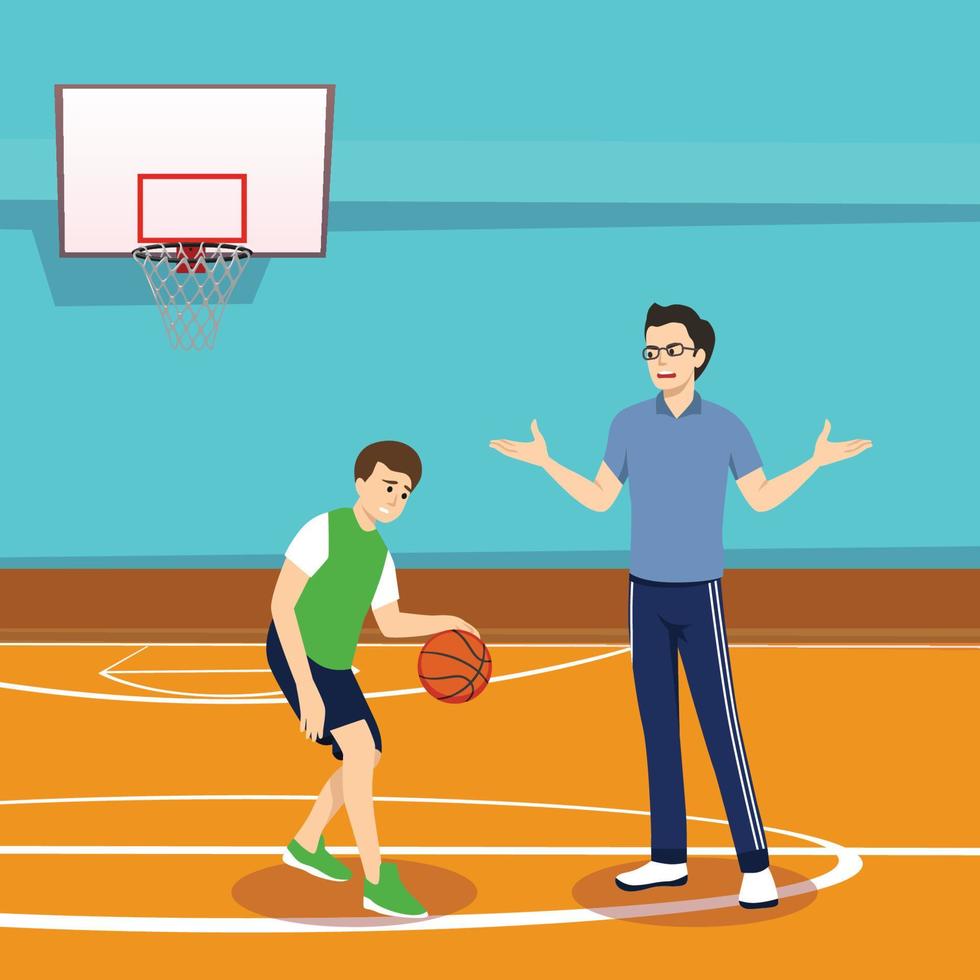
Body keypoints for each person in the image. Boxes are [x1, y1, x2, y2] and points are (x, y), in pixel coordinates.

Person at [490, 302, 871, 909]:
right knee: (658, 731)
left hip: (700, 596)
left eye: (671, 350)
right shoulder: (625, 424)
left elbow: (763, 498)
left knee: (720, 728)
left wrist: (815, 463)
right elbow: (597, 499)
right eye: (650, 352)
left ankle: (755, 866)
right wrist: (545, 462)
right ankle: (667, 857)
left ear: (698, 356)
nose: (660, 362)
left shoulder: (726, 425)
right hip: (644, 594)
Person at [267, 440, 479, 919]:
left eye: (405, 493)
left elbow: (391, 622)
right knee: (361, 751)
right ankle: (378, 881)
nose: (395, 498)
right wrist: (305, 689)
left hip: (334, 664)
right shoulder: (322, 529)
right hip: (294, 648)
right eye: (388, 485)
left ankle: (304, 844)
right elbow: (282, 606)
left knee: (368, 753)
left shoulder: (380, 554)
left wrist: (447, 620)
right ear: (361, 483)